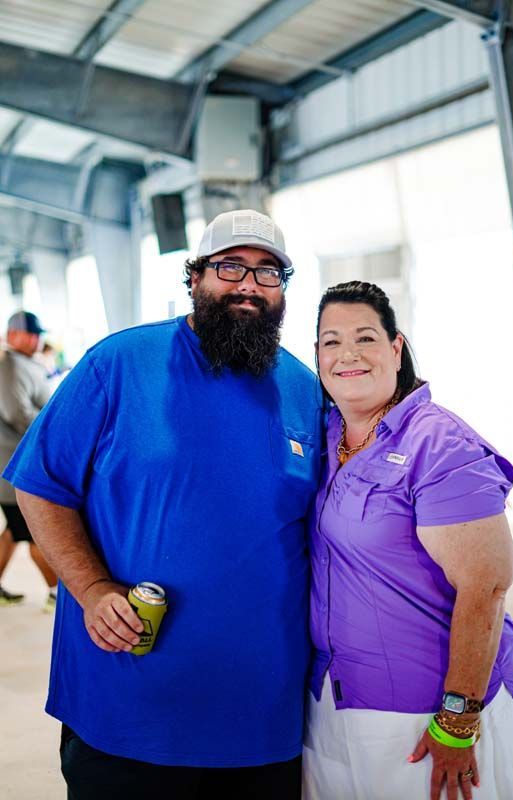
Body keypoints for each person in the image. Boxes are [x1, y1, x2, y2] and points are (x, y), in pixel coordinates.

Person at [4, 210, 322, 799]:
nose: (249, 285)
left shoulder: (305, 389)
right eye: (231, 267)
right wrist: (93, 588)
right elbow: (39, 485)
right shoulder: (119, 365)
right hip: (127, 707)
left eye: (268, 273)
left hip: (260, 719)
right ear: (195, 276)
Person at [304, 280, 513, 800]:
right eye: (331, 342)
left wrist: (457, 719)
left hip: (424, 710)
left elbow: (487, 587)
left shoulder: (439, 444)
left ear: (396, 347)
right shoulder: (325, 436)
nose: (348, 355)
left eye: (365, 337)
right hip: (334, 701)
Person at [0, 311, 57, 610]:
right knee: (36, 534)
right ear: (12, 335)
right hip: (14, 467)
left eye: (38, 334)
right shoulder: (10, 366)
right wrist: (54, 428)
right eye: (30, 334)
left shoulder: (24, 364)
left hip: (17, 464)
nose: (36, 339)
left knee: (13, 532)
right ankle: (55, 593)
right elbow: (17, 414)